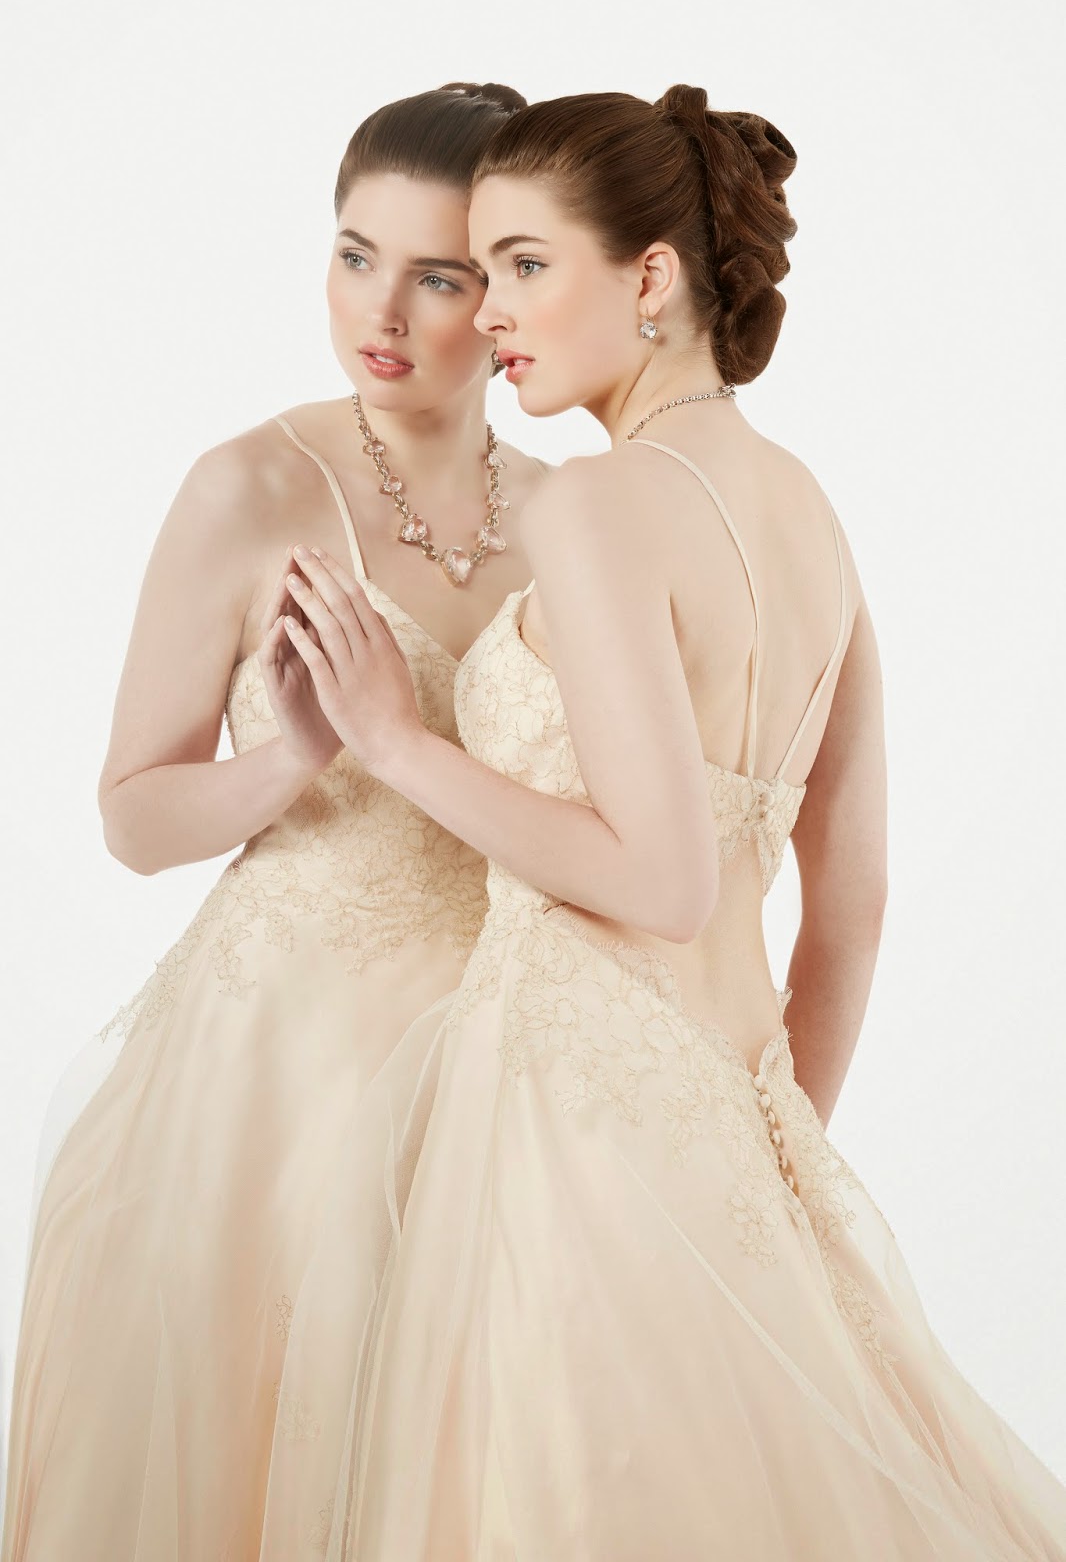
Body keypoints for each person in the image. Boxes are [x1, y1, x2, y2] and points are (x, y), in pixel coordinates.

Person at [256, 87, 1066, 1558]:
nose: (489, 311)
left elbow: (664, 878)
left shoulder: (597, 504)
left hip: (565, 1133)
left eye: (523, 264)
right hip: (737, 1135)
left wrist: (393, 741)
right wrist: (763, 1153)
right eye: (481, 271)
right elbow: (853, 901)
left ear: (649, 276)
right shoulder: (808, 511)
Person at [0, 81, 548, 1561]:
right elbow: (132, 815)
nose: (380, 308)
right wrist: (293, 759)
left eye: (437, 276)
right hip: (278, 1073)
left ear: (507, 295)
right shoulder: (245, 488)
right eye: (353, 254)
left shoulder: (571, 517)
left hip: (497, 1052)